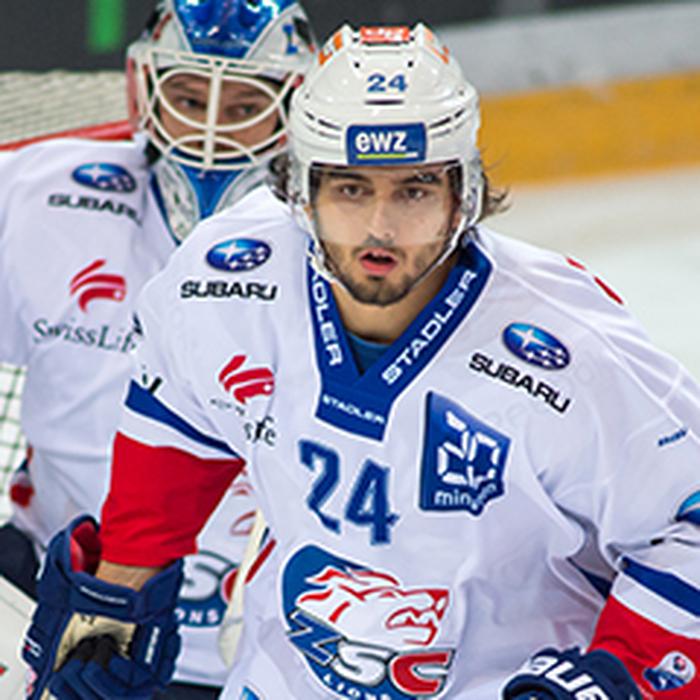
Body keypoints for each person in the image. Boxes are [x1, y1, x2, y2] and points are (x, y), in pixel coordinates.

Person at [24, 22, 700, 700]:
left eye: (414, 190)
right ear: (300, 191)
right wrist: (123, 584)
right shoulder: (229, 280)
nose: (381, 228)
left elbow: (688, 524)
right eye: (350, 189)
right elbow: (179, 414)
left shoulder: (567, 350)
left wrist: (617, 677)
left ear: (463, 193)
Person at [0, 0, 314, 697]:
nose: (210, 128)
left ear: (295, 107)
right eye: (190, 98)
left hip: (259, 646)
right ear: (145, 88)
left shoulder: (346, 243)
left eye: (243, 105)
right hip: (49, 592)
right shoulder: (36, 195)